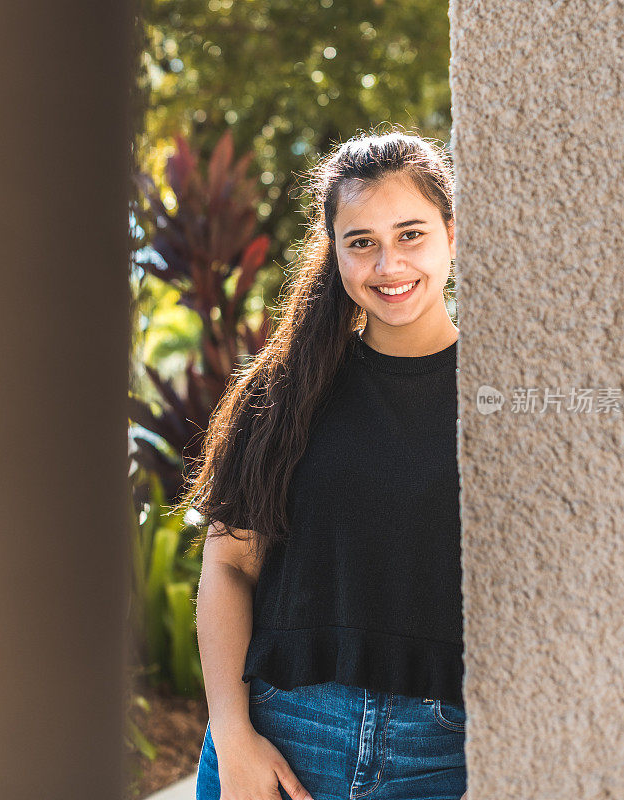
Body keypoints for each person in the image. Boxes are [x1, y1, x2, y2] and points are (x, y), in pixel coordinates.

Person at [180, 127, 467, 800]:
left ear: (451, 234)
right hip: (279, 736)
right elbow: (228, 566)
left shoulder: (503, 398)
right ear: (333, 250)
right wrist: (232, 732)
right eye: (361, 242)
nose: (388, 265)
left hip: (444, 756)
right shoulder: (284, 392)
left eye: (411, 234)